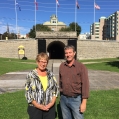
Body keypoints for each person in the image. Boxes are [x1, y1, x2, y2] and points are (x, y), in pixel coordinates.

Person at [25, 52, 59, 119]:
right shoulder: (31, 75)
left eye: (45, 62)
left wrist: (51, 103)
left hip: (49, 108)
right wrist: (38, 105)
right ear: (37, 62)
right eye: (41, 61)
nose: (43, 64)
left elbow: (55, 89)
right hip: (35, 108)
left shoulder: (50, 74)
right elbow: (28, 92)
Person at [59, 45, 89, 119]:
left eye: (70, 52)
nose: (68, 55)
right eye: (66, 53)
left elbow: (85, 85)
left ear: (74, 53)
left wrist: (84, 102)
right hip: (63, 99)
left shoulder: (81, 67)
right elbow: (60, 82)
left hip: (76, 100)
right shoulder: (62, 66)